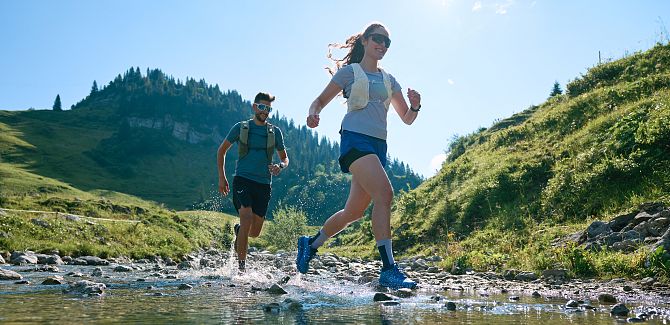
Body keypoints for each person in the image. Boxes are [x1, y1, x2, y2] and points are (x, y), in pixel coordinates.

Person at [296, 22, 422, 288]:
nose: (383, 45)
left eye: (387, 42)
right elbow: (318, 101)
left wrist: (416, 105)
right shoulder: (349, 73)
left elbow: (407, 119)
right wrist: (312, 113)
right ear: (364, 41)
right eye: (378, 39)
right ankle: (388, 269)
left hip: (378, 146)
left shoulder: (390, 80)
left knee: (353, 212)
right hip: (355, 140)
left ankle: (310, 244)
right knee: (385, 194)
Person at [217, 92, 289, 271]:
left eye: (269, 109)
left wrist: (280, 165)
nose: (265, 111)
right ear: (255, 107)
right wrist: (222, 177)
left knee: (254, 232)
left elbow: (285, 158)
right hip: (242, 179)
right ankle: (241, 269)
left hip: (264, 184)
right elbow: (221, 151)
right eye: (263, 107)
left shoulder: (275, 132)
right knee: (246, 217)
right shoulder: (241, 128)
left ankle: (239, 231)